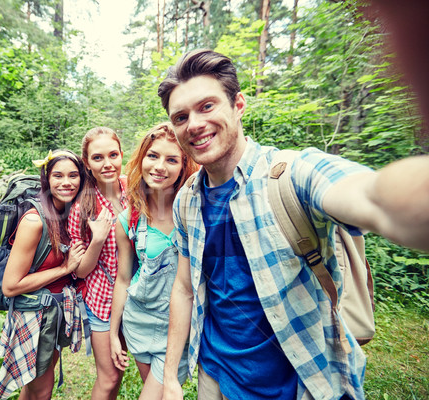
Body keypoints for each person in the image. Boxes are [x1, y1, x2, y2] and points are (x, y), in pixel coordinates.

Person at [158, 49, 429, 400]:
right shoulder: (187, 200)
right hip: (215, 378)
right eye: (180, 117)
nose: (193, 124)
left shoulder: (291, 175)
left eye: (207, 106)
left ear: (238, 104)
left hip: (305, 381)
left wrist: (399, 198)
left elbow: (366, 193)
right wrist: (170, 376)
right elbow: (183, 288)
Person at [109, 122, 198, 399]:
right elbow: (123, 279)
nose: (160, 166)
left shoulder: (196, 210)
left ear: (184, 166)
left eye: (172, 159)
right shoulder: (128, 220)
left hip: (177, 327)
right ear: (142, 159)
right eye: (153, 156)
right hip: (138, 322)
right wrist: (114, 333)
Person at [0, 149, 87, 400]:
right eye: (58, 176)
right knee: (42, 390)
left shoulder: (66, 214)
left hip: (52, 314)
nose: (66, 182)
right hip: (34, 316)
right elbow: (11, 286)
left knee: (35, 387)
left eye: (73, 175)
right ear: (47, 179)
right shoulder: (35, 221)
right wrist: (64, 269)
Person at [67, 126, 128, 399]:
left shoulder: (132, 190)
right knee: (109, 376)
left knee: (119, 372)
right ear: (87, 164)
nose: (107, 164)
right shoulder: (83, 207)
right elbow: (79, 272)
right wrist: (97, 240)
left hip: (133, 296)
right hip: (102, 300)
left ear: (121, 155)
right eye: (98, 158)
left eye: (113, 155)